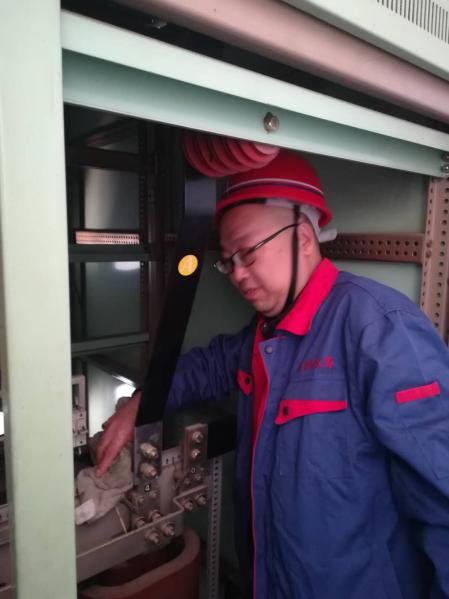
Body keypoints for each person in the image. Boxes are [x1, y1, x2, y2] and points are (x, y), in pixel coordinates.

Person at [96, 149, 449, 598]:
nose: (236, 275)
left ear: (302, 237)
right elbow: (207, 367)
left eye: (247, 253)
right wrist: (139, 405)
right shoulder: (265, 334)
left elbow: (441, 496)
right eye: (228, 261)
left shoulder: (380, 329)